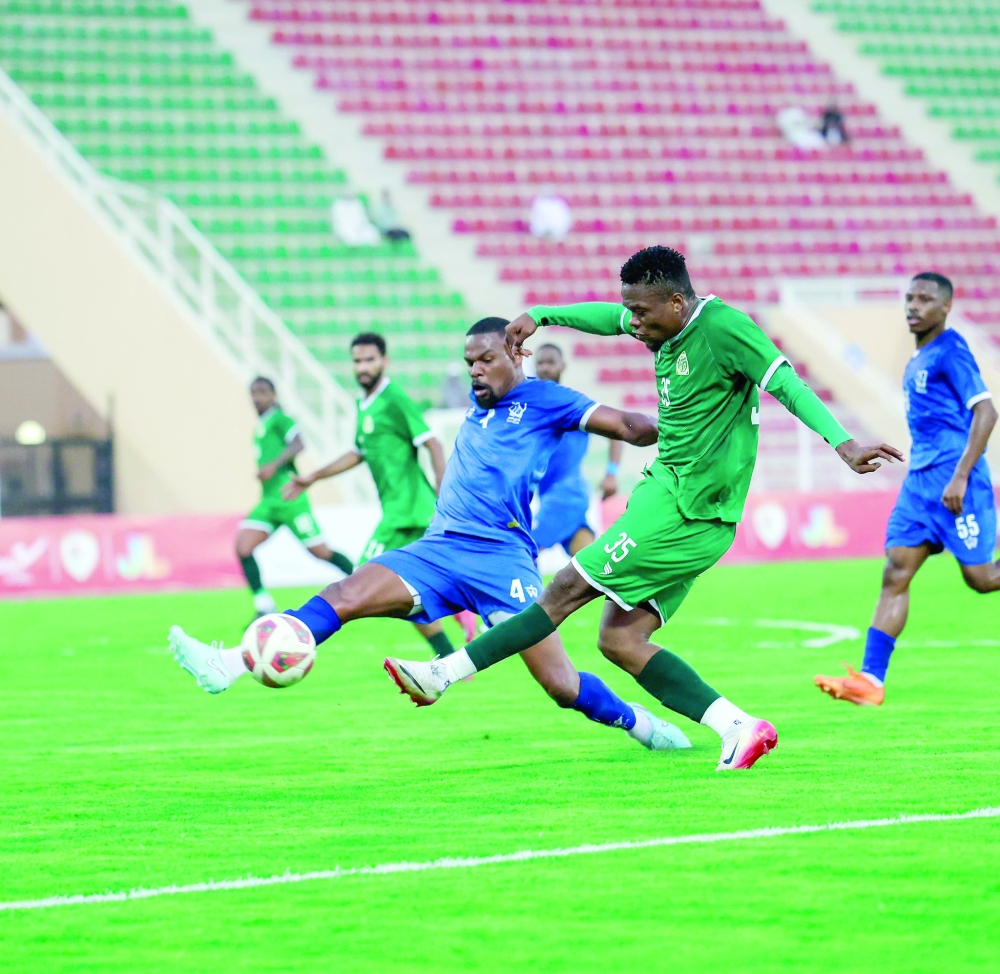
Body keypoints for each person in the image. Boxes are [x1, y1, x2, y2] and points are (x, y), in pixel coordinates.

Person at [384, 247, 903, 770]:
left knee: (563, 589)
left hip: (685, 509)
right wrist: (541, 315)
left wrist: (843, 444)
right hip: (673, 500)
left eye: (642, 313)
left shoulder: (726, 329)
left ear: (677, 302)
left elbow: (786, 384)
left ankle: (442, 674)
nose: (633, 324)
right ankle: (739, 727)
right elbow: (609, 318)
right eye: (630, 311)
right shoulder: (660, 321)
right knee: (620, 639)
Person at [168, 318, 691, 755]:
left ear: (515, 352)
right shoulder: (480, 401)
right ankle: (229, 664)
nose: (476, 371)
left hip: (502, 559)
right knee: (344, 594)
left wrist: (684, 429)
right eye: (469, 363)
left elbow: (625, 424)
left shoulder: (546, 400)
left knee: (560, 685)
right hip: (438, 550)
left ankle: (641, 726)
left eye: (486, 359)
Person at [816, 273, 998, 706]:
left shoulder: (951, 351)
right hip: (920, 484)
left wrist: (959, 476)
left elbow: (987, 412)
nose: (913, 306)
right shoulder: (918, 358)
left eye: (925, 299)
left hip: (957, 482)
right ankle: (871, 680)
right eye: (909, 298)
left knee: (982, 578)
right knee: (896, 570)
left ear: (946, 307)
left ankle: (872, 678)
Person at [284, 331, 471, 656]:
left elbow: (432, 441)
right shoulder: (364, 405)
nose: (363, 367)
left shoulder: (394, 397)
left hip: (408, 513)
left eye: (370, 359)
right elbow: (358, 452)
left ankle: (299, 630)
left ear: (385, 361)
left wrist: (445, 492)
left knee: (362, 581)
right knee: (402, 589)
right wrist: (313, 476)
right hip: (400, 513)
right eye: (357, 361)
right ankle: (452, 642)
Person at [237, 377, 354, 618]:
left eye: (262, 392)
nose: (257, 398)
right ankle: (263, 605)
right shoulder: (262, 426)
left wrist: (273, 465)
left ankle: (363, 580)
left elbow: (300, 443)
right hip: (269, 501)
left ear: (274, 395)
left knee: (321, 552)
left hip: (290, 498)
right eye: (253, 393)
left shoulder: (281, 419)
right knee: (243, 546)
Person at [532, 342, 623, 557]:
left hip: (566, 494)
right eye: (540, 362)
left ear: (563, 366)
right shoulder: (532, 407)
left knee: (525, 553)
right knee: (588, 569)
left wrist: (611, 473)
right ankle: (634, 589)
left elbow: (616, 429)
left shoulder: (574, 405)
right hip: (550, 494)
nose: (545, 367)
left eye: (551, 362)